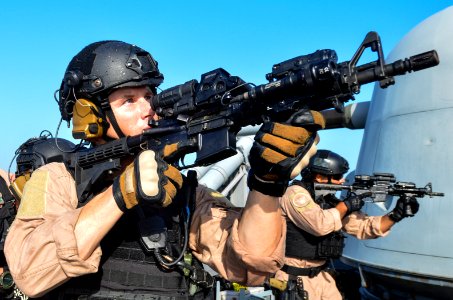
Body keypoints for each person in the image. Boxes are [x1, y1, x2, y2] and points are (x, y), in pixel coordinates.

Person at [4, 40, 325, 299]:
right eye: (129, 100)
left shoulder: (181, 190)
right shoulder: (58, 179)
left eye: (150, 96)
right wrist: (120, 193)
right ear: (90, 113)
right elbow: (31, 273)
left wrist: (267, 181)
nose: (148, 110)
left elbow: (251, 266)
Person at [272, 149, 420, 300]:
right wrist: (345, 206)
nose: (342, 181)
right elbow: (319, 225)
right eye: (337, 177)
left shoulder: (327, 201)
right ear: (320, 177)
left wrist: (395, 215)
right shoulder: (295, 194)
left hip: (321, 276)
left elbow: (364, 228)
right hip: (294, 278)